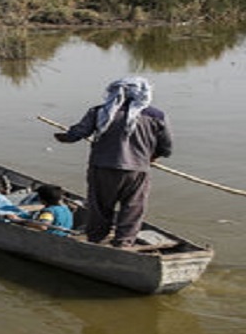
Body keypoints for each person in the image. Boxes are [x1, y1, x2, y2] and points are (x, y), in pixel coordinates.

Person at [54, 76, 171, 247]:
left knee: (100, 208)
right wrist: (152, 157)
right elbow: (166, 147)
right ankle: (124, 243)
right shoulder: (157, 115)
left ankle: (96, 240)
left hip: (102, 169)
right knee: (132, 209)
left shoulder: (99, 112)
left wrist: (63, 137)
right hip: (137, 171)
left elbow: (75, 135)